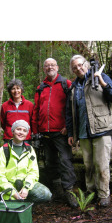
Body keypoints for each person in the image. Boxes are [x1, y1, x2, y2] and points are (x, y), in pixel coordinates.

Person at [66, 55, 112, 207]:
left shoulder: (100, 77)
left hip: (102, 129)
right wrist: (71, 133)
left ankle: (104, 195)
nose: (78, 68)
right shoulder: (74, 87)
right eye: (74, 67)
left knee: (101, 165)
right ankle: (91, 193)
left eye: (80, 65)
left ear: (86, 64)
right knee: (88, 165)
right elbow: (70, 112)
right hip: (83, 132)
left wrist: (102, 82)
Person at [31, 57, 78, 208]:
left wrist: (68, 127)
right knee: (49, 162)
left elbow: (72, 108)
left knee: (65, 161)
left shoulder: (66, 84)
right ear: (44, 69)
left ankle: (69, 191)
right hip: (45, 132)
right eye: (47, 65)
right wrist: (35, 130)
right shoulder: (41, 87)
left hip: (61, 131)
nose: (50, 67)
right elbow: (36, 110)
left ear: (57, 67)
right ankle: (54, 190)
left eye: (52, 65)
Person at [0, 120, 51, 203]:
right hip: (9, 188)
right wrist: (13, 192)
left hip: (24, 185)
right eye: (18, 129)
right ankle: (16, 202)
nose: (21, 132)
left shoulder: (29, 149)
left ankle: (25, 203)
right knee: (13, 209)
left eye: (24, 131)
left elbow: (33, 172)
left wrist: (26, 188)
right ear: (13, 131)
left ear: (27, 134)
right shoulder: (3, 150)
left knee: (46, 194)